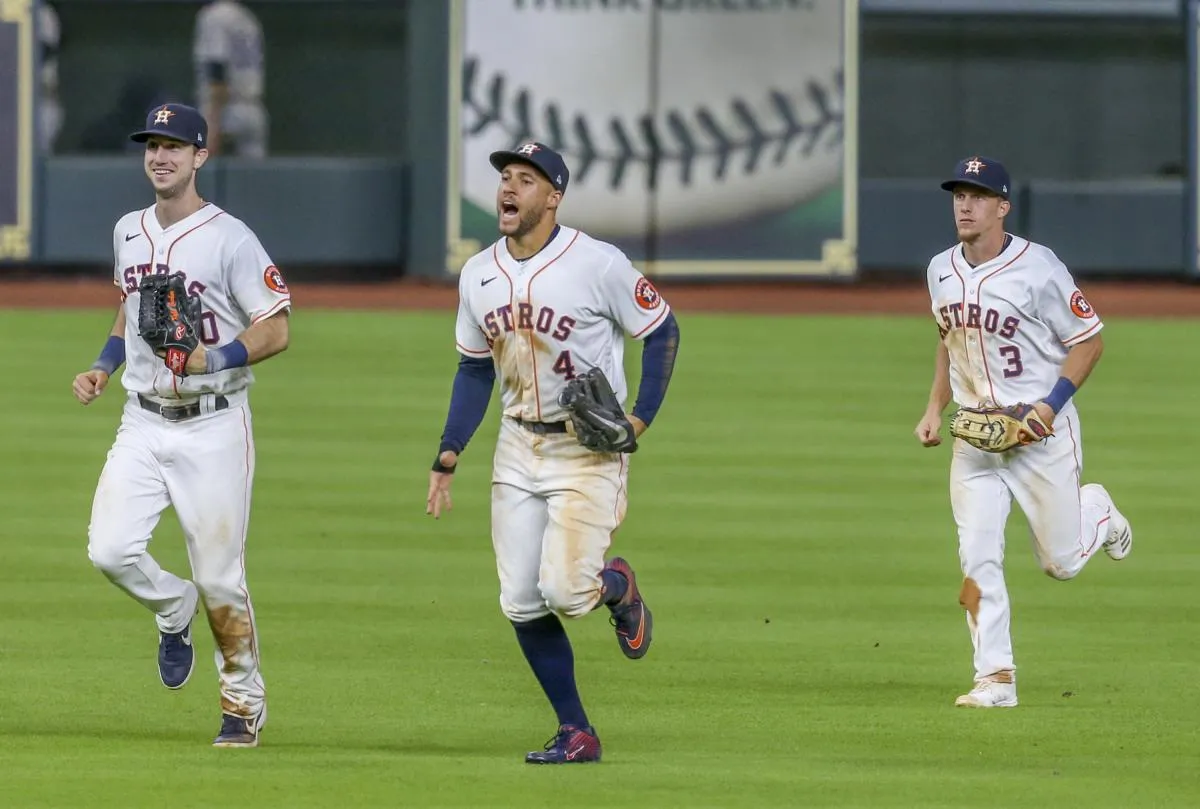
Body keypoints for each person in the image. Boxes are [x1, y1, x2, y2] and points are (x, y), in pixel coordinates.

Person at [426, 142, 681, 763]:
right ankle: (577, 731)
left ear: (553, 196)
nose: (508, 190)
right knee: (519, 598)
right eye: (505, 179)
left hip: (586, 450)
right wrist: (449, 452)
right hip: (517, 447)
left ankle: (618, 586)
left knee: (568, 593)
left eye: (525, 180)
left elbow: (663, 331)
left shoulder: (598, 263)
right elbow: (474, 368)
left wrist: (638, 420)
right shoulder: (479, 273)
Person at [72, 103, 291, 746]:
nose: (160, 156)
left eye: (175, 146)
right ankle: (173, 607)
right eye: (152, 145)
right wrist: (104, 366)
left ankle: (241, 704)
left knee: (222, 574)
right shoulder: (128, 230)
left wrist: (212, 358)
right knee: (109, 551)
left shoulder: (231, 237)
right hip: (140, 420)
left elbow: (277, 326)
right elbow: (129, 309)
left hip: (214, 426)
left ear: (200, 157)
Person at [913, 155, 1133, 709]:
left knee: (1059, 563)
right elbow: (949, 341)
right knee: (977, 554)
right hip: (975, 438)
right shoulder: (940, 268)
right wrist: (934, 408)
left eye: (979, 195)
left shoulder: (1041, 268)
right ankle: (996, 678)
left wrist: (1050, 407)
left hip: (1041, 436)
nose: (965, 204)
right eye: (959, 194)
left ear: (1002, 207)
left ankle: (1099, 511)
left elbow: (1089, 341)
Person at [193, 0, 267, 157]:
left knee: (209, 177)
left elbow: (217, 71)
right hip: (253, 111)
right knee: (252, 179)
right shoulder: (247, 18)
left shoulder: (214, 16)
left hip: (226, 112)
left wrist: (212, 125)